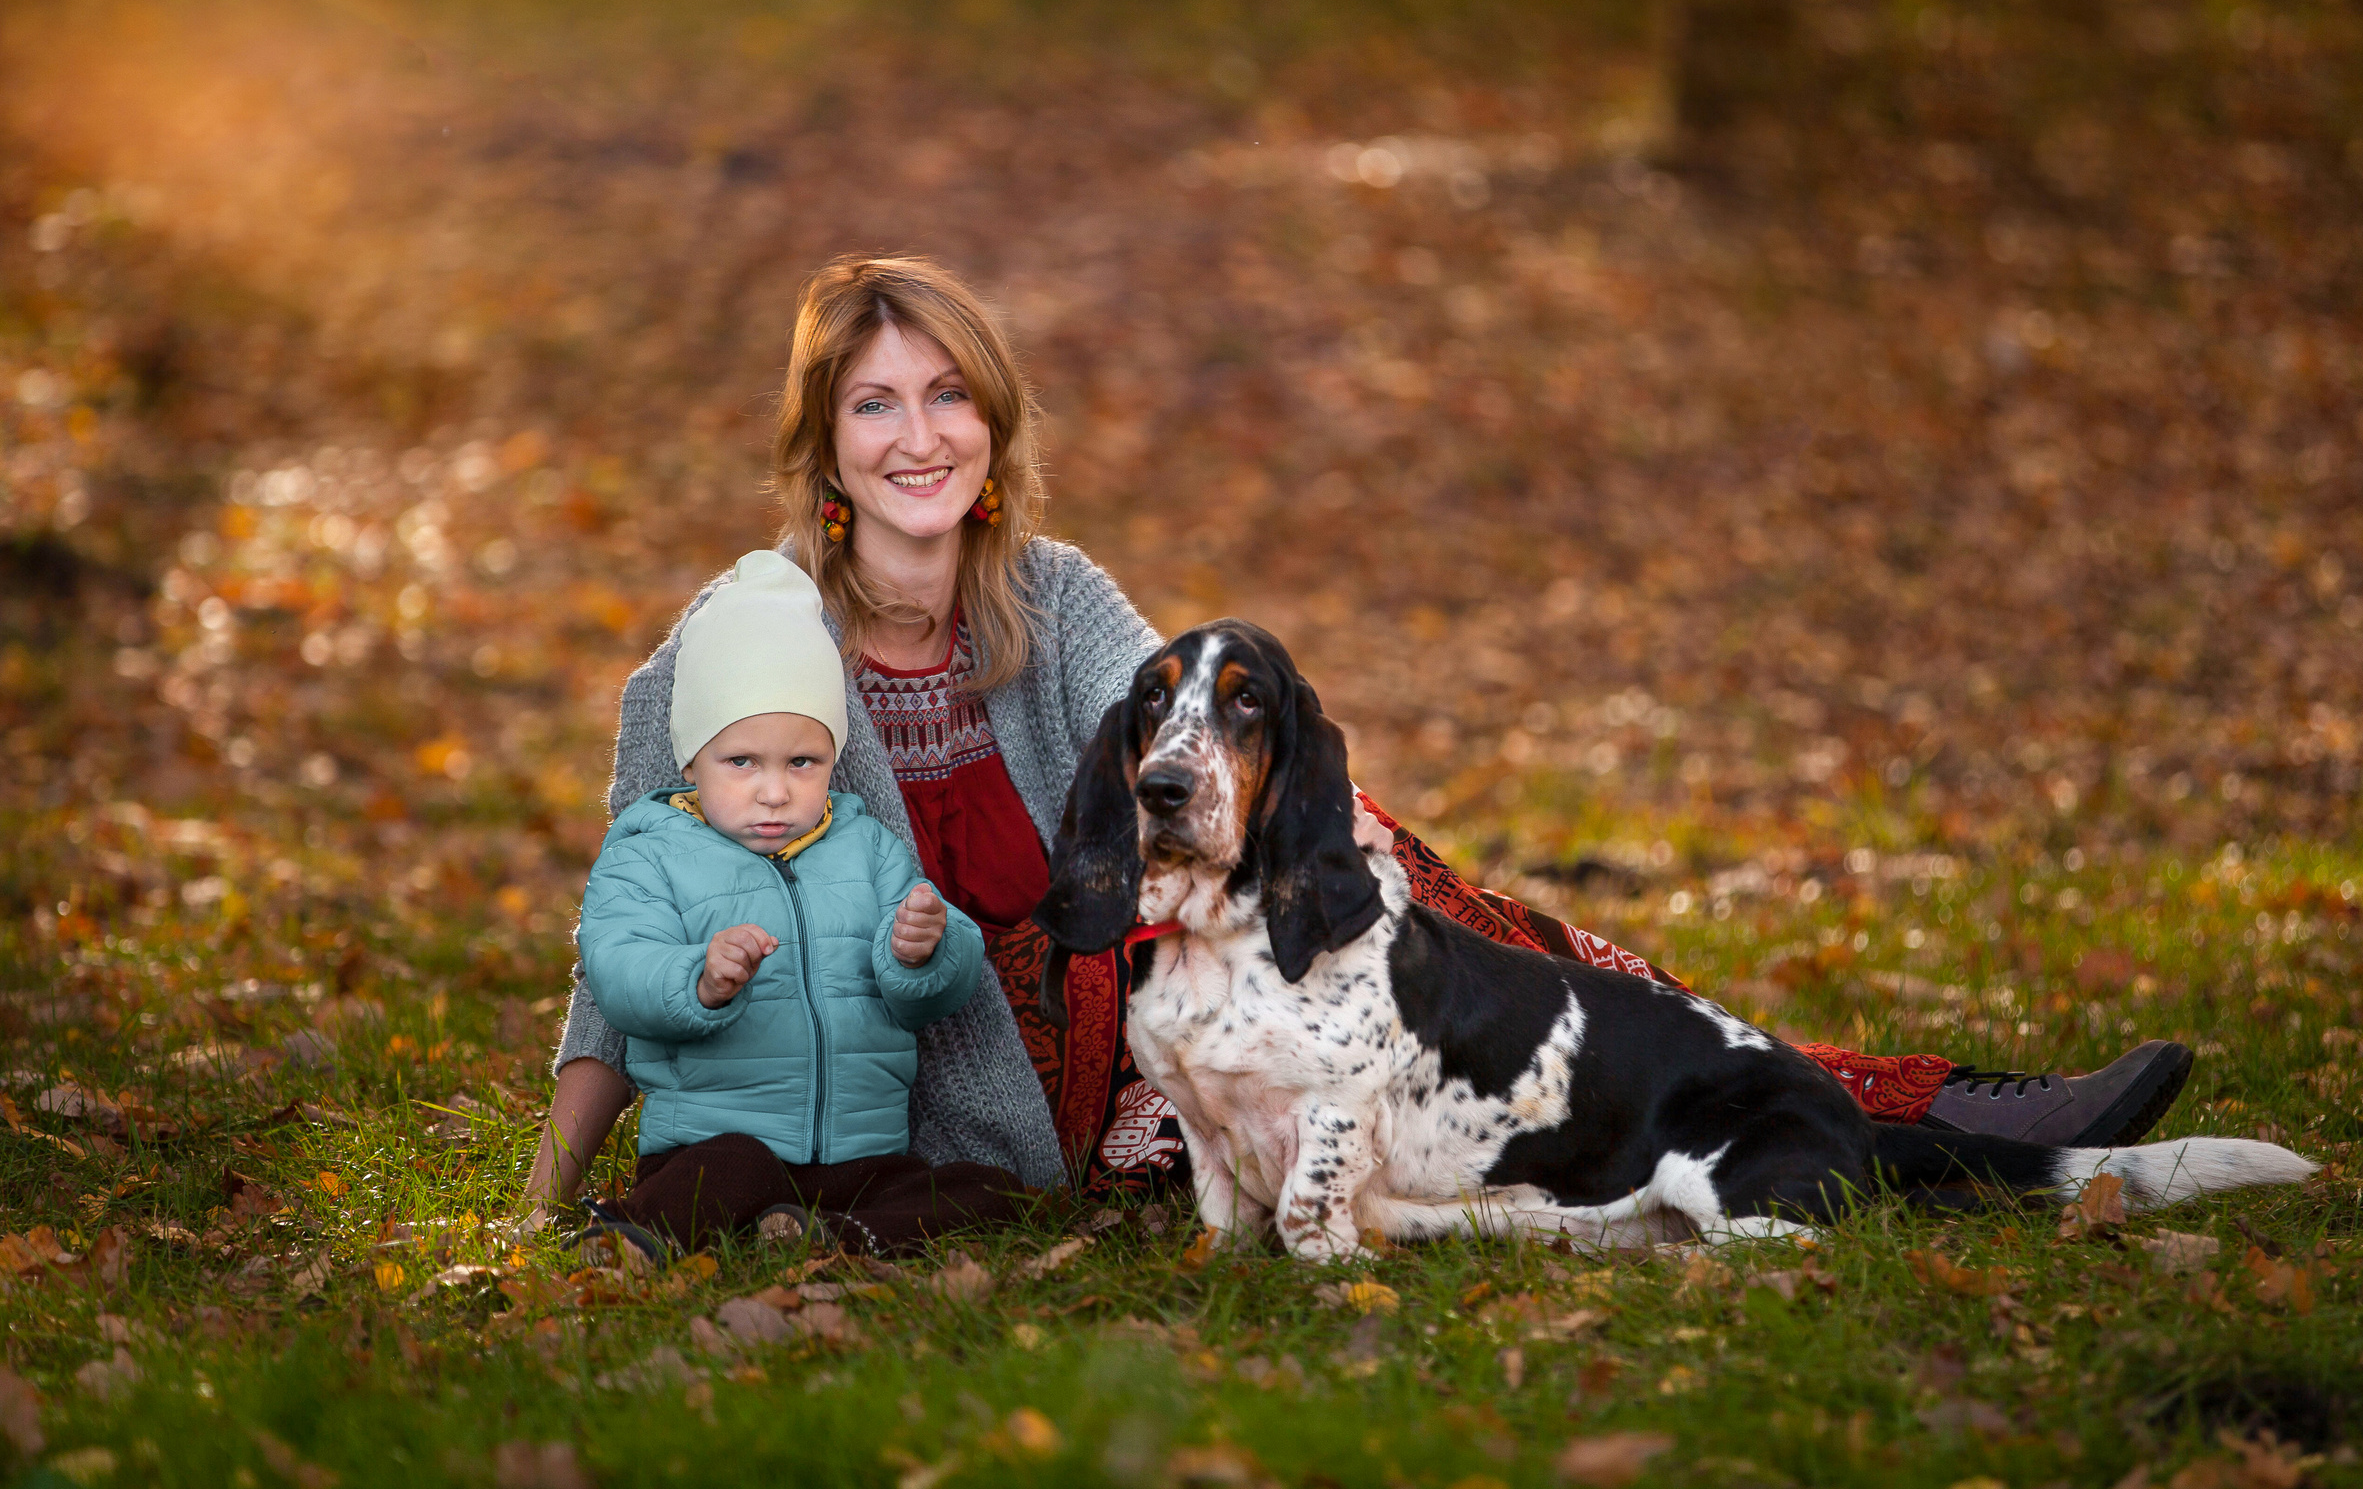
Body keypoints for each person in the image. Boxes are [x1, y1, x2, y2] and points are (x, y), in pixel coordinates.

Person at [525, 253, 2195, 1219]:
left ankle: (1886, 1103)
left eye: (949, 394)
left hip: (1157, 977)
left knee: (1374, 867)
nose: (920, 436)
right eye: (876, 402)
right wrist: (549, 1199)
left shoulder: (1053, 592)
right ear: (821, 441)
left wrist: (1325, 879)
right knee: (1371, 973)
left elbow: (1194, 777)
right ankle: (1847, 1121)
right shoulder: (730, 658)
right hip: (1008, 1074)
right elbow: (629, 936)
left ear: (994, 420)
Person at [571, 548, 1028, 1261]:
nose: (775, 790)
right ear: (692, 760)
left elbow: (937, 983)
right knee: (731, 1169)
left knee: (987, 1189)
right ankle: (634, 1234)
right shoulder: (650, 849)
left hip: (864, 1154)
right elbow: (618, 969)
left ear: (833, 756)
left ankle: (822, 1236)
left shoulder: (866, 845)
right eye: (742, 762)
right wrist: (698, 977)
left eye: (802, 761)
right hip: (720, 1140)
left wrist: (923, 950)